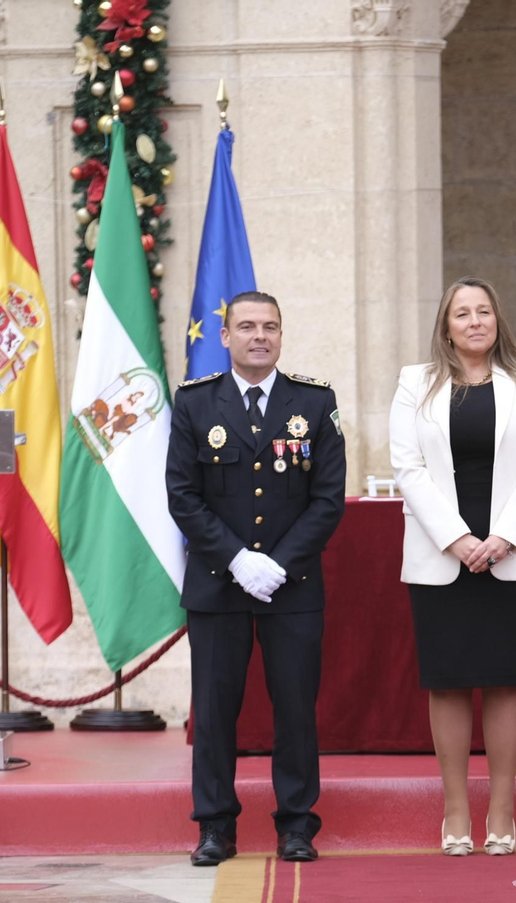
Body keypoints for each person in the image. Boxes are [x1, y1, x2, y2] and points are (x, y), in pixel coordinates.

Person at [165, 291, 347, 866]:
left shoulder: (315, 403)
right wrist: (239, 560)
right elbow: (182, 495)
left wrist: (278, 563)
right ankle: (215, 826)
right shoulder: (195, 404)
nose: (259, 336)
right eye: (246, 327)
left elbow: (327, 499)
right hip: (218, 587)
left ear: (281, 335)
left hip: (291, 589)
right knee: (215, 712)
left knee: (295, 709)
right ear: (225, 337)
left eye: (270, 326)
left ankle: (296, 825)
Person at [389, 277, 516, 857]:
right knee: (449, 681)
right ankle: (456, 806)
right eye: (462, 313)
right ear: (447, 325)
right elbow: (407, 469)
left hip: (512, 554)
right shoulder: (416, 383)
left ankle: (503, 807)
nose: (474, 321)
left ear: (497, 320)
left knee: (507, 679)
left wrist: (503, 537)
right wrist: (459, 539)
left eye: (483, 311)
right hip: (443, 556)